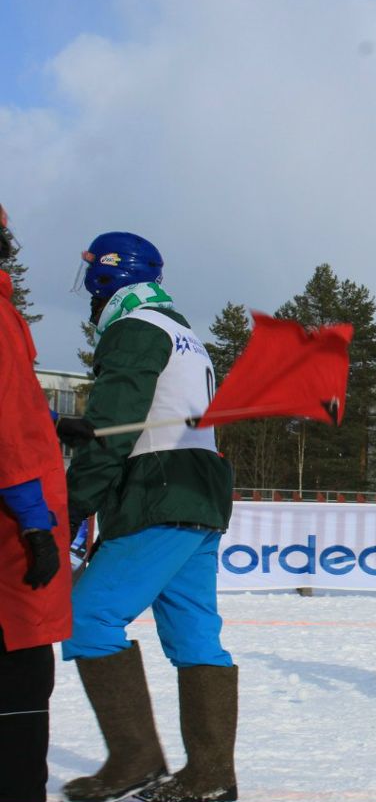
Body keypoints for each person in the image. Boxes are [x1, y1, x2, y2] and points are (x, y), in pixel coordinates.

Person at [60, 232, 238, 802]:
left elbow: (114, 427)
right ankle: (210, 776)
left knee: (87, 616)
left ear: (105, 277)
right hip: (201, 492)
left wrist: (70, 506)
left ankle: (135, 759)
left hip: (158, 491)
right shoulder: (184, 332)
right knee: (195, 634)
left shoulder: (133, 329)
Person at [0, 202, 73, 802]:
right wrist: (34, 523)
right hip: (7, 536)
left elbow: (15, 405)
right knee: (21, 670)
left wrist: (52, 422)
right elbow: (6, 424)